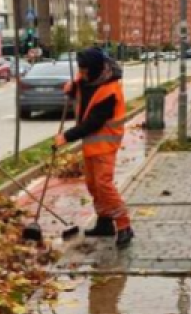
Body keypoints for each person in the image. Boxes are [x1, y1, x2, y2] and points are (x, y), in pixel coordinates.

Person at [56, 47, 134, 247]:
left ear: (96, 69)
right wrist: (72, 88)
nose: (80, 73)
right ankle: (105, 222)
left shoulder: (109, 91)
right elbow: (80, 91)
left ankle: (124, 225)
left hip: (105, 143)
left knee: (104, 185)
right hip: (91, 144)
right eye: (79, 69)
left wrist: (67, 136)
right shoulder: (87, 78)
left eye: (84, 70)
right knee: (93, 185)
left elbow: (94, 122)